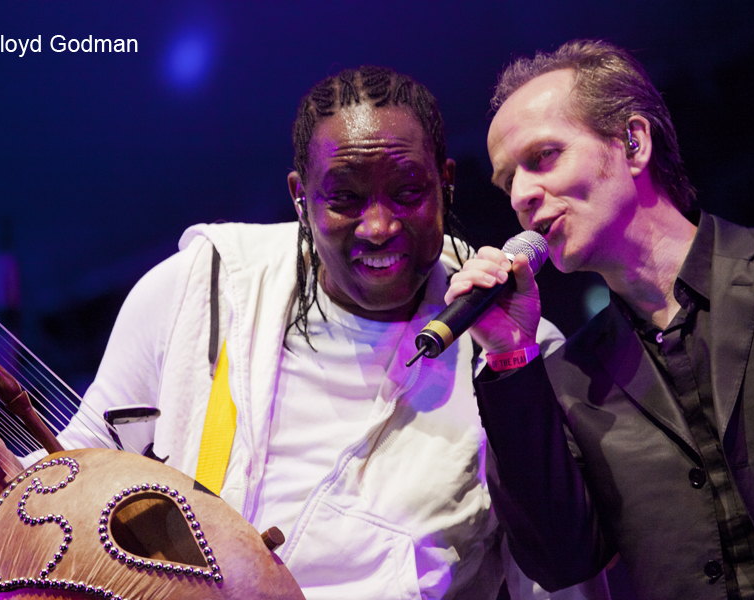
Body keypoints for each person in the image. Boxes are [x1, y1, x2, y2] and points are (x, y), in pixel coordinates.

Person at [54, 66, 608, 600]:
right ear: (300, 197)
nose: (379, 226)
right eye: (344, 198)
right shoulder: (205, 284)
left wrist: (514, 357)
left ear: (447, 182)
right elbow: (79, 469)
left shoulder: (513, 337)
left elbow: (555, 581)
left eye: (409, 192)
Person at [447, 39, 754, 600]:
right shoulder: (570, 380)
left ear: (633, 143)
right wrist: (511, 353)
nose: (520, 195)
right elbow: (560, 559)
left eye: (542, 157)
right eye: (507, 180)